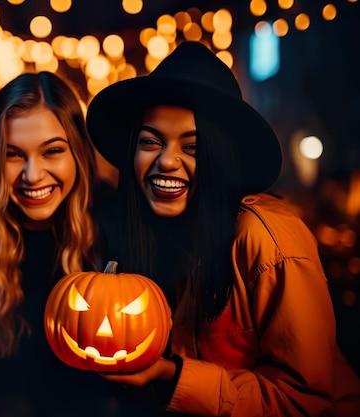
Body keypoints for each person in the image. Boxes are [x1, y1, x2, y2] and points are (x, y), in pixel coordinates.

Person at [84, 41, 360, 416]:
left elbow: (304, 396)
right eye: (150, 142)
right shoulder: (156, 236)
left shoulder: (267, 236)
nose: (166, 161)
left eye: (193, 147)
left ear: (220, 159)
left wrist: (171, 374)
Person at [0, 71, 154, 416]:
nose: (32, 175)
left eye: (52, 151)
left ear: (78, 153)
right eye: (13, 155)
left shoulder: (118, 219)